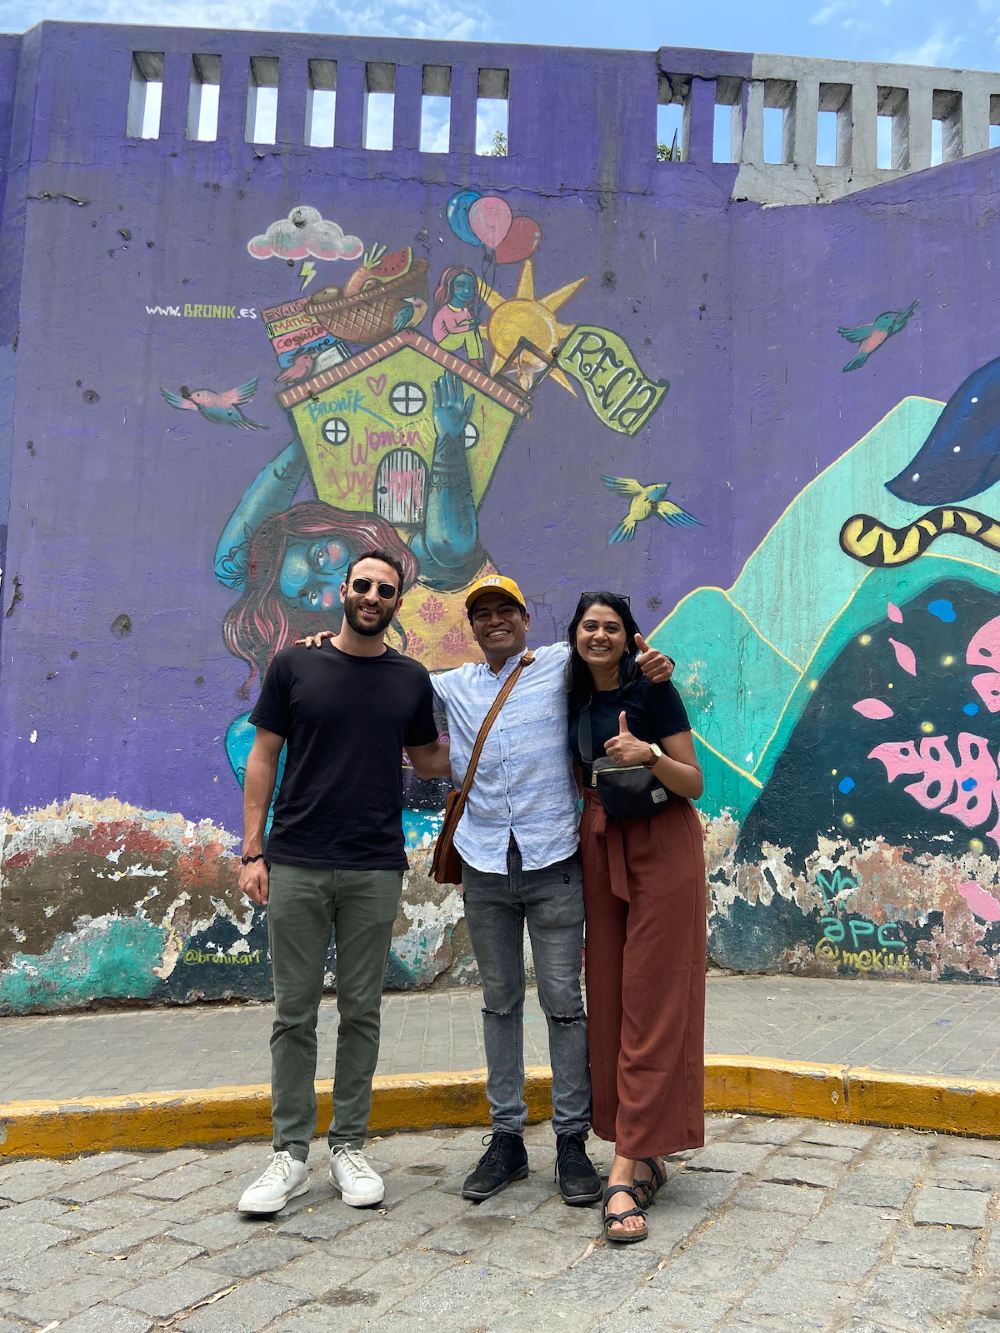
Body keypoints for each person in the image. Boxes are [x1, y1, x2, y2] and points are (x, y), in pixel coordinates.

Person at [430, 575, 674, 1207]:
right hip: (484, 864)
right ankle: (506, 1139)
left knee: (565, 1004)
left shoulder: (561, 662)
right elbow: (385, 678)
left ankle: (571, 1140)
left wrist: (656, 662)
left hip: (554, 862)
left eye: (505, 611)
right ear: (472, 625)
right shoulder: (452, 685)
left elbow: (614, 643)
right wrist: (321, 642)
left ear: (525, 617)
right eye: (483, 614)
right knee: (500, 1002)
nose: (495, 622)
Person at [235, 549, 449, 1216]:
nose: (371, 596)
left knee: (361, 1011)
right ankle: (289, 1154)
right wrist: (252, 850)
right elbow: (263, 756)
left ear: (396, 602)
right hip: (296, 860)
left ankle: (348, 1146)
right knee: (293, 1013)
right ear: (344, 591)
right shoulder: (294, 665)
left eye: (385, 589)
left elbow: (429, 760)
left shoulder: (410, 678)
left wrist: (503, 732)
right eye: (363, 584)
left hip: (373, 865)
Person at [566, 592, 706, 1245]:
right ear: (575, 635)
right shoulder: (566, 690)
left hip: (662, 842)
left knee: (654, 999)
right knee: (610, 997)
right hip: (600, 841)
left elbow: (693, 782)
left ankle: (624, 1167)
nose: (599, 635)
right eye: (589, 626)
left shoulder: (655, 688)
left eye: (611, 627)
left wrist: (647, 753)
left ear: (629, 636)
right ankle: (645, 1150)